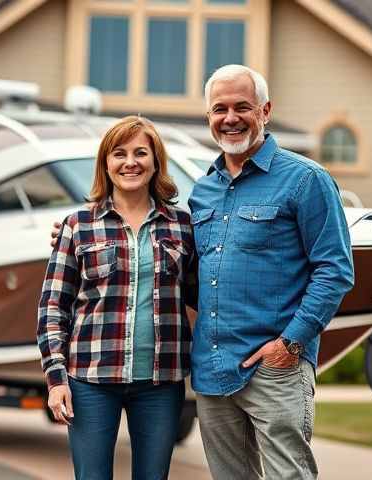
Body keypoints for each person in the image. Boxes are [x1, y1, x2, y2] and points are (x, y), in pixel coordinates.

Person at [190, 64, 354, 479]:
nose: (230, 118)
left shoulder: (306, 180)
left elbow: (334, 270)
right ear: (208, 116)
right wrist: (76, 233)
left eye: (242, 107)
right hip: (211, 368)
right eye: (219, 109)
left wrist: (290, 344)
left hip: (275, 368)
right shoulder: (202, 190)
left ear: (265, 110)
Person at [37, 115, 196, 480]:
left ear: (156, 163)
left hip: (160, 382)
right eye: (119, 153)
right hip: (90, 380)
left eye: (141, 153)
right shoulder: (78, 225)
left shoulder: (182, 226)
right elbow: (52, 306)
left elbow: (205, 293)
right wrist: (56, 377)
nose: (130, 162)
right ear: (105, 164)